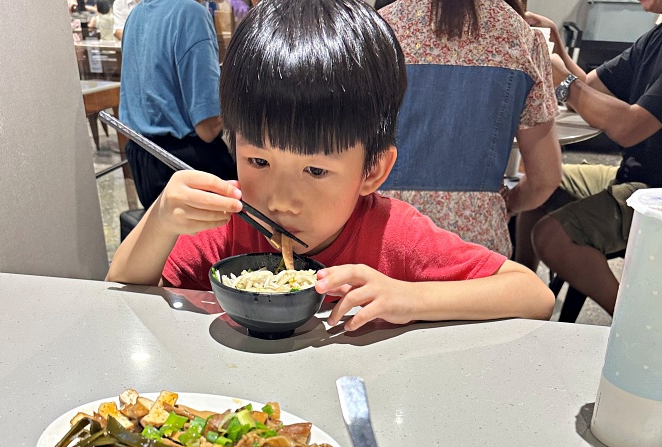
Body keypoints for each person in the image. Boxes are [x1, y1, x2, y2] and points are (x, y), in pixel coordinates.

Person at [107, 0, 553, 332]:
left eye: (316, 171)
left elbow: (533, 294)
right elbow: (123, 291)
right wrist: (161, 219)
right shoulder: (227, 223)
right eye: (258, 160)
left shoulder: (393, 235)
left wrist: (411, 296)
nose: (279, 200)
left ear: (373, 171)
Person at [379, 0, 562, 257]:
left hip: (384, 231)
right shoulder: (520, 37)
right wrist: (502, 204)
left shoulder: (379, 31)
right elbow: (546, 178)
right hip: (476, 243)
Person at [516, 3, 662, 315]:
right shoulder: (655, 38)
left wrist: (565, 85)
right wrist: (556, 43)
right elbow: (594, 89)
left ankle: (637, 323)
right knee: (541, 181)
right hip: (634, 174)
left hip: (654, 191)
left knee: (552, 235)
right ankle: (519, 296)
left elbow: (629, 127)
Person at [119, 0, 236, 210]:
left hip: (143, 161)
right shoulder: (191, 14)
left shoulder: (135, 15)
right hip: (185, 166)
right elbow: (208, 127)